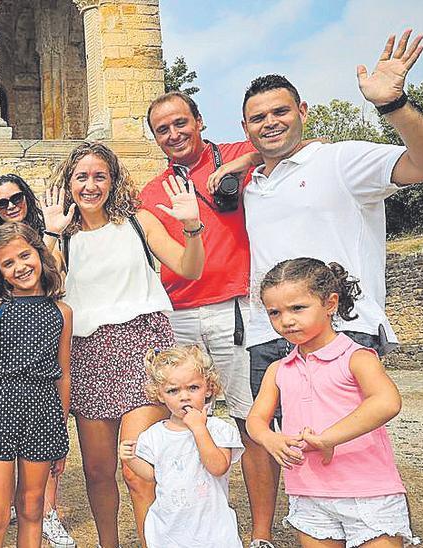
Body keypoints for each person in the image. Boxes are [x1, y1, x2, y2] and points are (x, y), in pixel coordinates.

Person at [219, 30, 423, 527]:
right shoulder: (251, 184)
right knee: (300, 452)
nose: (270, 123)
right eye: (258, 118)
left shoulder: (341, 159)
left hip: (341, 326)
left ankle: (381, 532)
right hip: (270, 333)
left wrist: (394, 105)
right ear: (245, 127)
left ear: (302, 110)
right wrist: (240, 164)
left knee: (357, 451)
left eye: (280, 112)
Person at [42, 141, 205, 548]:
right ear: (69, 183)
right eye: (82, 177)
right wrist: (50, 234)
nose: (91, 185)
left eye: (100, 175)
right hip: (88, 353)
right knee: (98, 471)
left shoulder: (138, 222)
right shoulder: (61, 236)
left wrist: (191, 226)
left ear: (113, 181)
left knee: (136, 466)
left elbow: (190, 267)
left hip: (141, 347)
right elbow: (44, 291)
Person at [141, 91, 278, 547]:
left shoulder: (237, 155)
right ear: (155, 138)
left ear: (199, 120)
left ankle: (259, 534)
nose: (175, 134)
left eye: (181, 123)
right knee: (181, 416)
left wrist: (236, 168)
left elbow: (287, 145)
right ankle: (188, 524)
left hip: (232, 307)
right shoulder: (153, 191)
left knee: (247, 417)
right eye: (163, 129)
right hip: (178, 310)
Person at [247, 259, 418, 547]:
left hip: (368, 491)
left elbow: (387, 402)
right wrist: (269, 438)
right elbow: (255, 420)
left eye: (297, 308)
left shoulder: (357, 358)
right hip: (309, 492)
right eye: (274, 312)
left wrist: (328, 438)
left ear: (330, 303)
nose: (286, 320)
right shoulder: (278, 369)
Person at [0, 223, 72, 548]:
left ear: (39, 253)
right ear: (0, 273)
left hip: (43, 417)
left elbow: (63, 375)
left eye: (25, 255)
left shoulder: (62, 311)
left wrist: (60, 433)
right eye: (8, 263)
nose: (20, 266)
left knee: (32, 509)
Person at [120, 345, 243, 548]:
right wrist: (131, 459)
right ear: (159, 394)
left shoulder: (219, 430)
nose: (184, 396)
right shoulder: (154, 435)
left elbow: (218, 467)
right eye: (173, 390)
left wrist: (198, 429)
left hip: (213, 532)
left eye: (193, 388)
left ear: (209, 388)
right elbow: (153, 475)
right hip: (170, 532)